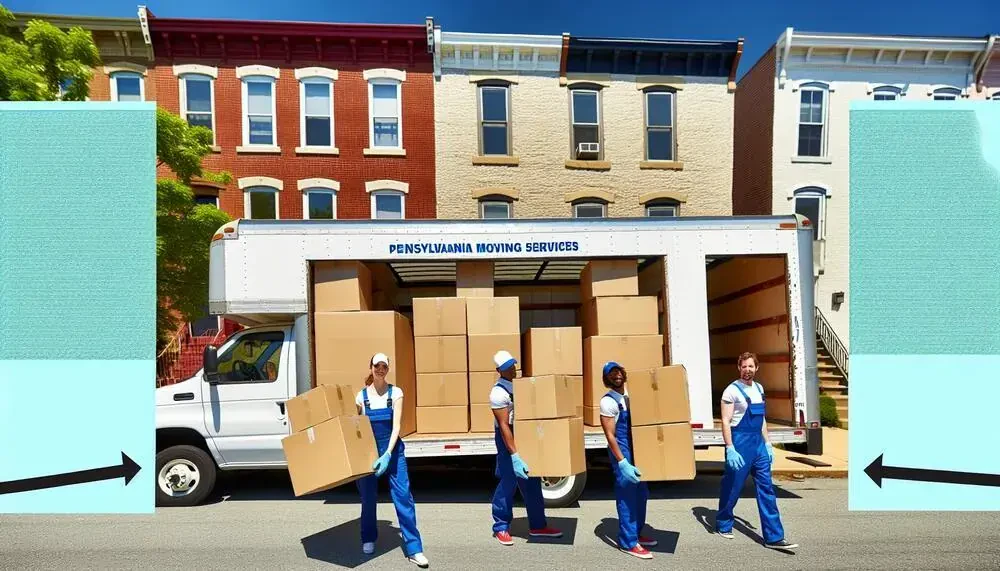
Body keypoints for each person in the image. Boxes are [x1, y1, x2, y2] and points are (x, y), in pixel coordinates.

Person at [715, 351, 798, 550]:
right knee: (733, 487)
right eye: (744, 366)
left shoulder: (759, 388)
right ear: (739, 368)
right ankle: (723, 522)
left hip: (758, 445)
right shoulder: (731, 391)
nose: (747, 370)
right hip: (739, 442)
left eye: (751, 366)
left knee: (767, 489)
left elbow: (762, 419)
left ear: (756, 368)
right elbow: (725, 421)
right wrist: (730, 448)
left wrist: (768, 444)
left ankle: (774, 537)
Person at [355, 353, 430, 568]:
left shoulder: (395, 392)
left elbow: (397, 426)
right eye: (377, 365)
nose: (380, 369)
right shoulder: (360, 397)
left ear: (387, 369)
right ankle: (368, 538)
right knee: (368, 498)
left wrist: (387, 454)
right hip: (369, 453)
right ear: (370, 367)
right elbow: (356, 427)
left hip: (393, 451)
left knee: (403, 498)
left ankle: (415, 549)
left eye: (384, 366)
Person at [488, 350, 564, 546]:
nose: (512, 369)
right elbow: (504, 425)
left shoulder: (520, 386)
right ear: (499, 370)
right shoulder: (498, 393)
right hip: (508, 439)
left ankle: (538, 526)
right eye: (507, 367)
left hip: (526, 434)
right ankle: (501, 527)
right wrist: (514, 455)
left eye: (513, 365)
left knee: (532, 481)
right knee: (508, 481)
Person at [599, 361, 658, 559]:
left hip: (637, 447)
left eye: (618, 371)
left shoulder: (630, 397)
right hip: (622, 450)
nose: (616, 375)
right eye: (611, 374)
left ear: (623, 374)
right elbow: (610, 436)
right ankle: (627, 541)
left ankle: (637, 533)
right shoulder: (608, 401)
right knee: (627, 495)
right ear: (606, 379)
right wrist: (622, 462)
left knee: (642, 492)